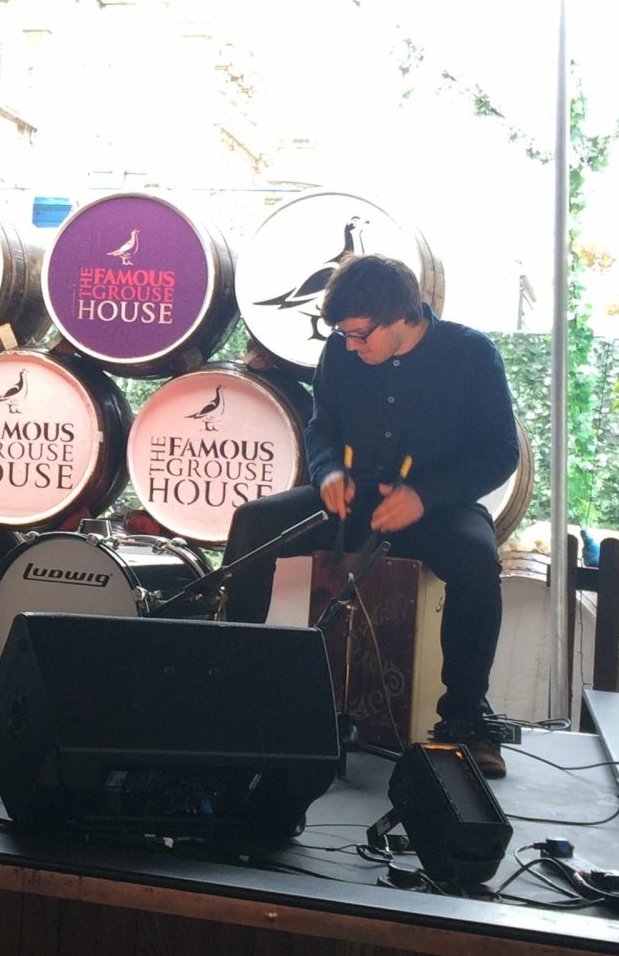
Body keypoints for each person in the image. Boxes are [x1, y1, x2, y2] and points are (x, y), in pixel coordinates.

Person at [220, 255, 520, 776]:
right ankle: (233, 683)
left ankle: (464, 719)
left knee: (476, 558)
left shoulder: (472, 353)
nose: (351, 347)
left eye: (360, 335)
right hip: (351, 500)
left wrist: (426, 495)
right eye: (344, 336)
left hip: (436, 508)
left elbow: (501, 453)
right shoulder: (341, 351)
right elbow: (321, 427)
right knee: (254, 523)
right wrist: (328, 472)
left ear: (401, 315)